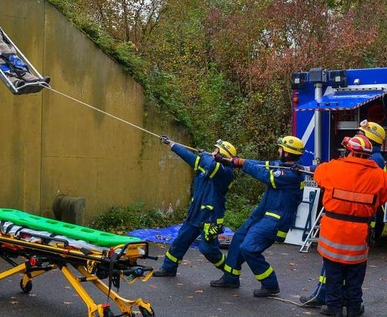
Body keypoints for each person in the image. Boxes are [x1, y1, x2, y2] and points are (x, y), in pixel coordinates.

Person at [300, 120, 386, 309]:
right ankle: (354, 308)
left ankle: (332, 307)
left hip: (333, 232)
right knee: (355, 274)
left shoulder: (333, 167)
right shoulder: (379, 173)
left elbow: (319, 175)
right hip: (359, 233)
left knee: (333, 272)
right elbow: (381, 199)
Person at [211, 136, 305, 297]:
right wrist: (232, 161)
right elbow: (260, 164)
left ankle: (270, 284)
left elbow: (264, 176)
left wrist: (243, 163)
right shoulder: (282, 165)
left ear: (288, 154)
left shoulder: (292, 175)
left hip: (275, 220)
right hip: (262, 215)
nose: (278, 150)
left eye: (280, 148)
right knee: (238, 238)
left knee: (249, 248)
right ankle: (230, 277)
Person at [152, 137, 237, 278]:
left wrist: (204, 155)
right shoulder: (207, 164)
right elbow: (190, 157)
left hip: (210, 217)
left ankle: (230, 273)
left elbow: (210, 164)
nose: (212, 152)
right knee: (180, 240)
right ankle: (168, 268)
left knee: (208, 249)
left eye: (215, 150)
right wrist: (173, 145)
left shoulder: (225, 172)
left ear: (222, 155)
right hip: (196, 213)